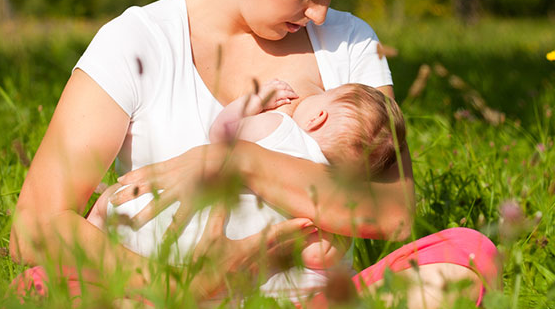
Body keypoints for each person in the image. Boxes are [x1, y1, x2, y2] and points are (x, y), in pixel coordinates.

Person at [9, 0, 498, 307]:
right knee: (43, 285)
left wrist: (243, 162)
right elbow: (35, 225)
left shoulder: (348, 43)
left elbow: (392, 213)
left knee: (467, 256)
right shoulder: (138, 41)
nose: (319, 14)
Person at [86, 79, 405, 301]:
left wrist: (252, 103)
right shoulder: (335, 194)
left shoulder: (280, 128)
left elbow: (221, 134)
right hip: (235, 257)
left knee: (109, 205)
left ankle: (92, 229)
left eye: (324, 93)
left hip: (181, 229)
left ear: (318, 116)